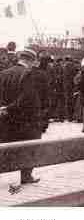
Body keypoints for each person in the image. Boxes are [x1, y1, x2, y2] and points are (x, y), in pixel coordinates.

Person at [0, 48, 42, 184]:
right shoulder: (28, 73)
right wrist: (10, 108)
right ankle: (26, 176)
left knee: (5, 145)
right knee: (30, 146)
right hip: (25, 119)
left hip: (6, 118)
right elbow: (27, 97)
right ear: (30, 60)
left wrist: (3, 108)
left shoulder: (4, 73)